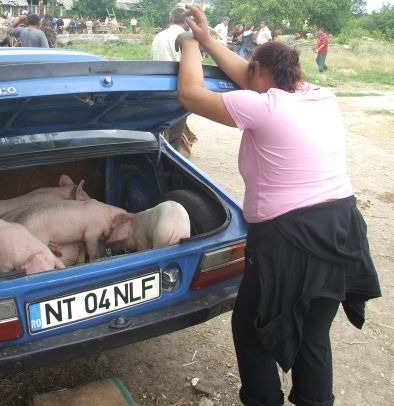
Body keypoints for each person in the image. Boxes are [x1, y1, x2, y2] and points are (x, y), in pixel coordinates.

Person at [175, 4, 381, 406]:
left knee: (251, 331)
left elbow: (190, 94)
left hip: (289, 239)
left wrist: (187, 44)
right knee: (314, 333)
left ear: (261, 75)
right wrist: (208, 40)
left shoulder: (263, 107)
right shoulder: (320, 96)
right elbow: (251, 75)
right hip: (342, 228)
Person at [150, 7, 198, 157]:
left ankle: (157, 154)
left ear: (170, 19)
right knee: (177, 129)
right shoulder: (189, 38)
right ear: (185, 21)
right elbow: (196, 67)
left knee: (159, 126)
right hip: (180, 88)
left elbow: (152, 61)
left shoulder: (158, 36)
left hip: (159, 88)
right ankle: (173, 158)